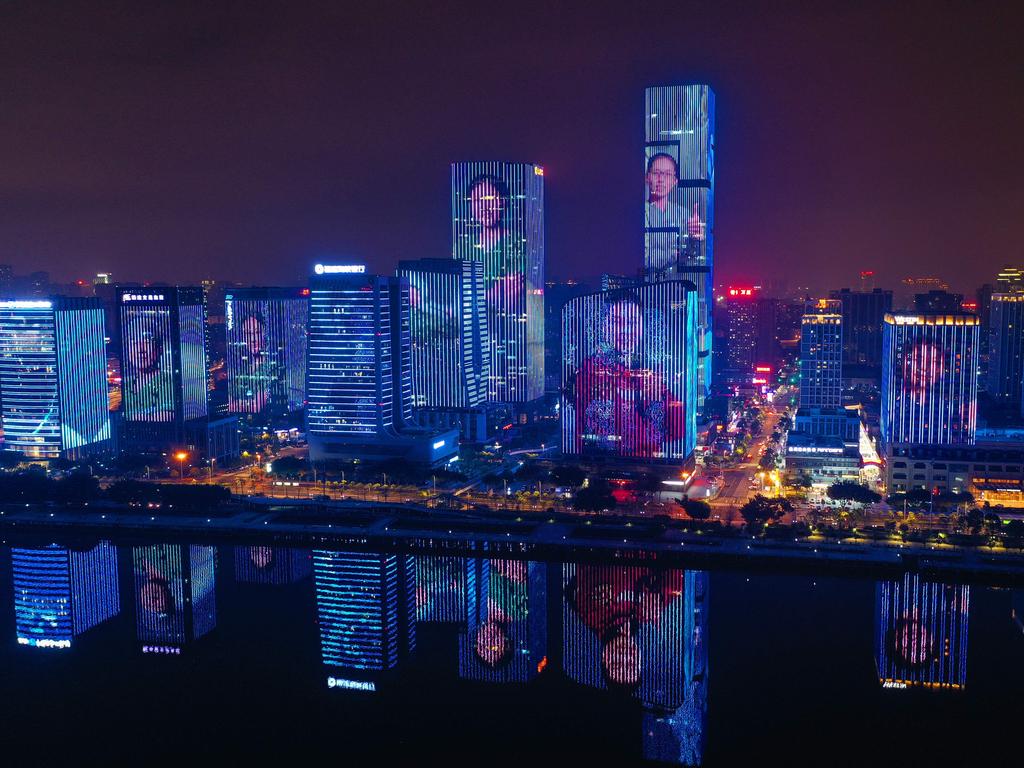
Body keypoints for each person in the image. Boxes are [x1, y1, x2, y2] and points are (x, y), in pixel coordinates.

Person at [568, 292, 684, 457]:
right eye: (616, 322)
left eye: (632, 322)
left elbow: (678, 427)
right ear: (604, 326)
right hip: (607, 462)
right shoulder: (591, 371)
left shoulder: (651, 370)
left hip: (649, 464)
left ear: (643, 326)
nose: (626, 331)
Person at [565, 565, 685, 692]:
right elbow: (679, 575)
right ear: (640, 659)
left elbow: (613, 570)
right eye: (631, 664)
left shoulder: (592, 612)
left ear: (605, 657)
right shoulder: (647, 613)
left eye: (617, 663)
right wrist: (659, 595)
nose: (624, 656)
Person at [125, 315, 174, 419]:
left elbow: (166, 416)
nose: (140, 350)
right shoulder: (126, 386)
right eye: (134, 342)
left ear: (160, 349)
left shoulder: (168, 382)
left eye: (147, 342)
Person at [645, 152, 683, 229]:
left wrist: (696, 237)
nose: (661, 179)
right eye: (656, 173)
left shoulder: (683, 214)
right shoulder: (638, 212)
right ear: (647, 177)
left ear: (675, 181)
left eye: (668, 174)